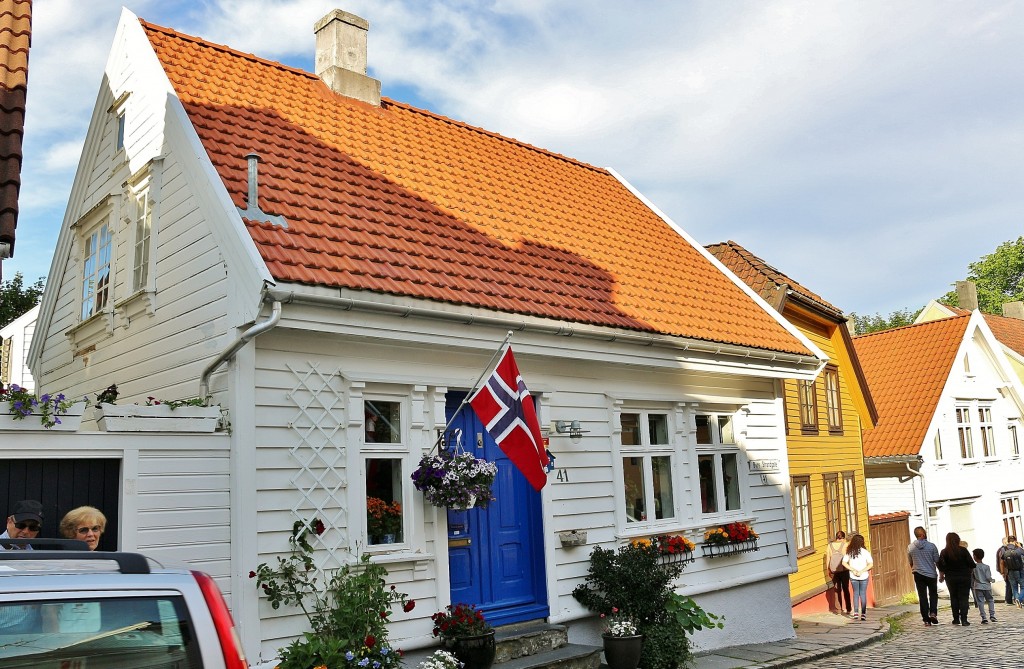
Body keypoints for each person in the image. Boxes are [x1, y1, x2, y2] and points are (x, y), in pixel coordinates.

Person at [937, 531, 975, 625]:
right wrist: (969, 573)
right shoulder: (963, 550)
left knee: (953, 597)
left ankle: (956, 618)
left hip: (951, 578)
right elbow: (971, 564)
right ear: (958, 540)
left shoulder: (944, 552)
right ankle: (964, 619)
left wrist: (941, 576)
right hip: (964, 576)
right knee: (964, 598)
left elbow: (941, 565)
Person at [907, 526, 940, 626]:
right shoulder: (932, 546)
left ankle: (926, 619)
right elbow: (937, 560)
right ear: (923, 534)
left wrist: (915, 568)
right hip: (931, 574)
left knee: (922, 596)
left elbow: (910, 562)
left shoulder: (910, 547)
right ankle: (933, 613)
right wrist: (941, 572)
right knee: (933, 594)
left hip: (918, 574)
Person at [842, 533, 873, 621]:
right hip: (863, 575)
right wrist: (862, 571)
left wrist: (852, 569)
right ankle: (863, 614)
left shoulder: (850, 551)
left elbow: (844, 563)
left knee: (856, 593)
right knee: (862, 593)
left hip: (853, 575)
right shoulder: (865, 552)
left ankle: (855, 613)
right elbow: (871, 564)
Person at [825, 530, 851, 615]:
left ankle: (839, 609)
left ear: (836, 537)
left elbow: (828, 558)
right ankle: (848, 608)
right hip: (844, 570)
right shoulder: (845, 545)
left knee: (837, 590)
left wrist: (828, 569)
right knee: (846, 589)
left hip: (834, 571)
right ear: (843, 538)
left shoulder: (830, 545)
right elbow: (849, 557)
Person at [971, 548, 996, 623]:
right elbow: (988, 577)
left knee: (980, 602)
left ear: (974, 556)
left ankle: (984, 617)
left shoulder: (974, 567)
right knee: (990, 600)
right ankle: (992, 615)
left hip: (977, 586)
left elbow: (972, 577)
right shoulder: (986, 567)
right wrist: (992, 580)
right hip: (986, 586)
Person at [1000, 535, 1024, 607]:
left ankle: (1016, 599)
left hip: (1010, 571)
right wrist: (1020, 547)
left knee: (1014, 587)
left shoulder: (1004, 549)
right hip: (1019, 570)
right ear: (1015, 540)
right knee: (1023, 586)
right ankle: (1019, 599)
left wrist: (1002, 572)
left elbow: (1002, 560)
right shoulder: (1018, 549)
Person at [996, 537, 1014, 606]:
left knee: (1010, 584)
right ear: (1005, 542)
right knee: (1009, 584)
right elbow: (1001, 562)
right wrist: (1002, 572)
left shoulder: (1001, 549)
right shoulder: (1003, 550)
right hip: (1006, 570)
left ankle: (1009, 599)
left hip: (1006, 570)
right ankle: (1008, 600)